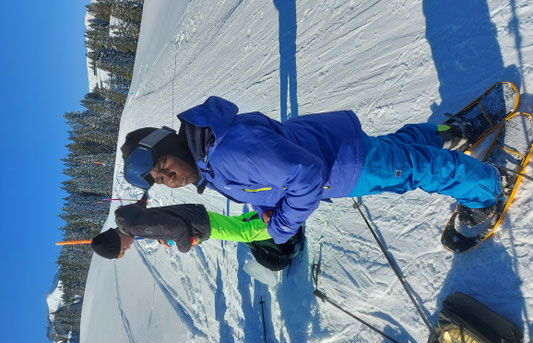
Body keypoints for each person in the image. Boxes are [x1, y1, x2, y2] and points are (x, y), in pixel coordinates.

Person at [121, 96, 502, 244]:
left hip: (344, 165)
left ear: (172, 145)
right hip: (334, 147)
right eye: (158, 180)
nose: (168, 179)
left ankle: (484, 190)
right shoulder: (208, 157)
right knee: (398, 149)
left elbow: (306, 176)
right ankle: (449, 134)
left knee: (413, 169)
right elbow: (268, 180)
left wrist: (281, 227)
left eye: (163, 166)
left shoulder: (226, 152)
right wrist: (269, 207)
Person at [91, 200, 301, 267]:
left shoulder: (136, 229)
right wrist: (163, 236)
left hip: (198, 224)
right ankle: (274, 212)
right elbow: (154, 218)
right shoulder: (125, 218)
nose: (127, 249)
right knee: (239, 224)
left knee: (244, 233)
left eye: (122, 250)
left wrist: (183, 247)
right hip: (195, 214)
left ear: (116, 242)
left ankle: (287, 222)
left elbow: (177, 228)